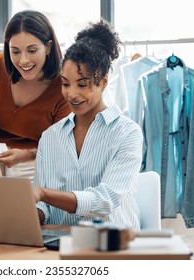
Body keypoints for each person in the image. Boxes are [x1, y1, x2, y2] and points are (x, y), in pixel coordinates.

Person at [33, 20, 143, 230]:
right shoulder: (50, 136)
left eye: (82, 84)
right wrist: (26, 212)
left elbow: (105, 201)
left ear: (103, 82)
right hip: (60, 243)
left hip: (114, 248)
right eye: (65, 84)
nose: (72, 94)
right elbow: (43, 205)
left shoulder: (128, 133)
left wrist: (44, 194)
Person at [0, 10, 71, 179]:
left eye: (32, 51)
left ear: (48, 47)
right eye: (15, 52)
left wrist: (26, 155)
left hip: (35, 165)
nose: (23, 60)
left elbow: (60, 147)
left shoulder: (63, 86)